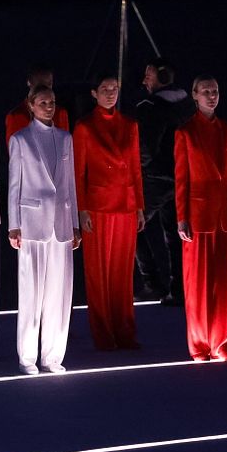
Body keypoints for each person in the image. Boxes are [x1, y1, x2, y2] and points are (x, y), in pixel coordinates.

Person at [9, 85, 81, 374]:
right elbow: (14, 184)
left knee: (59, 293)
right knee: (31, 292)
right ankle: (27, 357)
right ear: (31, 104)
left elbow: (70, 184)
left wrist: (74, 223)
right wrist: (14, 224)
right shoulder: (20, 139)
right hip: (32, 223)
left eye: (51, 102)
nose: (48, 107)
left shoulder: (65, 138)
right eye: (42, 102)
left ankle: (52, 355)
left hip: (61, 224)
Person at [175, 76, 227, 362]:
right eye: (205, 92)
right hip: (199, 214)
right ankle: (200, 345)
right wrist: (182, 218)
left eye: (215, 91)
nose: (211, 96)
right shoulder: (185, 132)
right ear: (194, 95)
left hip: (226, 213)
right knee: (199, 283)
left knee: (226, 282)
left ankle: (224, 343)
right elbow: (181, 179)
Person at [73, 75, 145, 351]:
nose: (110, 94)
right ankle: (103, 333)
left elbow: (136, 168)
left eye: (114, 89)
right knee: (98, 273)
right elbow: (79, 172)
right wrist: (82, 209)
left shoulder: (130, 125)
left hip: (125, 205)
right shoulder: (85, 127)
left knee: (122, 273)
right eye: (104, 89)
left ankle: (125, 331)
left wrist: (139, 206)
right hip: (98, 207)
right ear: (94, 93)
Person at [134, 57, 192, 305]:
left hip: (156, 178)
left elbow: (146, 146)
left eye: (148, 74)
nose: (144, 79)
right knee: (175, 234)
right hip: (180, 177)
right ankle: (178, 290)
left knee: (131, 225)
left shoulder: (151, 106)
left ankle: (152, 282)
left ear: (161, 77)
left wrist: (137, 169)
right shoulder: (188, 104)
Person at [4, 64, 70, 147]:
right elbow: (14, 152)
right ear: (29, 83)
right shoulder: (16, 117)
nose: (45, 90)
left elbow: (65, 148)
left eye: (49, 84)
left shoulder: (61, 113)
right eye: (40, 86)